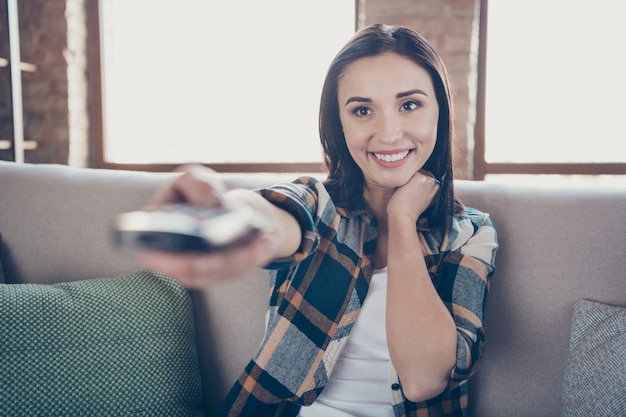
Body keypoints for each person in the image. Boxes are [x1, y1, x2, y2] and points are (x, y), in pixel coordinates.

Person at [139, 23, 498, 417]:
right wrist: (227, 213)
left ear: (440, 113)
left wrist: (402, 220)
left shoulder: (470, 233)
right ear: (339, 124)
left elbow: (423, 380)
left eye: (409, 105)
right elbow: (276, 215)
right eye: (363, 110)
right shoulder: (319, 202)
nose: (389, 132)